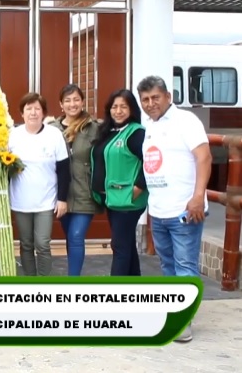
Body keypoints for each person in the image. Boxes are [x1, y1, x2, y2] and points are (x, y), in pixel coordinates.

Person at [138, 75, 212, 343]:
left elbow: (204, 157)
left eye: (155, 97)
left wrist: (198, 196)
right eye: (145, 99)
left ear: (168, 96)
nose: (150, 103)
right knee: (167, 264)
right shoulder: (150, 126)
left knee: (184, 265)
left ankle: (184, 321)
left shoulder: (186, 121)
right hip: (158, 210)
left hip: (185, 209)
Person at [9, 92, 70, 276]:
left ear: (43, 113)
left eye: (37, 109)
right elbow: (4, 166)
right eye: (29, 109)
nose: (33, 113)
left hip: (46, 200)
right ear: (22, 113)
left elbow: (64, 169)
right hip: (20, 200)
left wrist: (62, 199)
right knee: (26, 244)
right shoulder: (13, 135)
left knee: (42, 243)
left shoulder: (54, 135)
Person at [90, 89, 148, 276]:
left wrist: (138, 187)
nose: (119, 111)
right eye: (115, 107)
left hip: (128, 200)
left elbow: (151, 162)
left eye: (124, 106)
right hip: (113, 199)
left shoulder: (136, 133)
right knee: (127, 243)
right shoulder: (108, 131)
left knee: (119, 246)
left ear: (132, 110)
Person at [49, 84, 102, 276]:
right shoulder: (52, 129)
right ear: (61, 104)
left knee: (77, 236)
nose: (72, 104)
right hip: (61, 194)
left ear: (82, 102)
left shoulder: (94, 128)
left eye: (76, 99)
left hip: (84, 192)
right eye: (68, 100)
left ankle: (73, 282)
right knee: (70, 238)